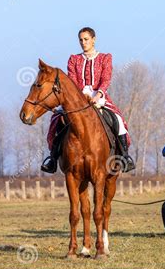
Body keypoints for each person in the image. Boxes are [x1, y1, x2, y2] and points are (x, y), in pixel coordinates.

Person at [41, 27, 135, 173]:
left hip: (99, 96)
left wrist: (98, 95)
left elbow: (106, 79)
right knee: (56, 119)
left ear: (93, 39)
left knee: (118, 120)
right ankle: (52, 158)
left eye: (86, 39)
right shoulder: (74, 59)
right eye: (81, 40)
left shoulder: (105, 58)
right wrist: (79, 97)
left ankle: (124, 157)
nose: (83, 42)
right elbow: (72, 81)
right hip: (78, 98)